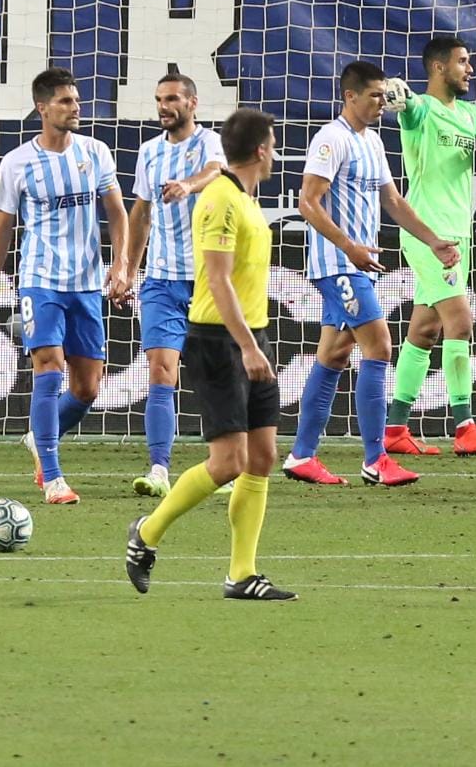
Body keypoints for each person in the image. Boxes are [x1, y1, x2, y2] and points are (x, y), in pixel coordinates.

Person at [124, 109, 296, 601]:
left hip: (252, 336)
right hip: (220, 341)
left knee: (261, 458)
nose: (275, 153)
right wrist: (246, 346)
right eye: (273, 144)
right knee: (227, 463)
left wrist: (254, 341)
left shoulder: (243, 196)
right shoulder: (219, 198)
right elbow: (216, 279)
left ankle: (242, 573)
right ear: (262, 149)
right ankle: (146, 534)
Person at [286, 60, 462, 487]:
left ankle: (301, 455)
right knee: (380, 347)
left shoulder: (374, 142)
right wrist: (349, 247)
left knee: (333, 355)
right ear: (351, 96)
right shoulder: (331, 139)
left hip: (359, 263)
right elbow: (308, 203)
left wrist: (434, 240)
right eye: (375, 96)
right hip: (339, 265)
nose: (383, 102)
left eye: (384, 95)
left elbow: (394, 202)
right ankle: (375, 459)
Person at [380, 35, 476, 457]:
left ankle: (394, 428)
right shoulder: (421, 111)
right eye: (463, 62)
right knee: (461, 323)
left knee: (425, 329)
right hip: (429, 236)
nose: (470, 69)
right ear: (438, 68)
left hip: (457, 236)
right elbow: (405, 105)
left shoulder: (466, 114)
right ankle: (464, 426)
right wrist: (397, 93)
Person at [0, 67, 129, 505]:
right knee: (49, 367)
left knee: (87, 389)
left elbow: (118, 212)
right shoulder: (17, 163)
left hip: (86, 284)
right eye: (65, 101)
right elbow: (2, 229)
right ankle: (53, 476)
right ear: (42, 108)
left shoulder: (96, 152)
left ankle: (39, 439)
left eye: (76, 100)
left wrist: (122, 266)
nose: (75, 107)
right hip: (39, 280)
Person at [124, 73, 225, 498]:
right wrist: (127, 268)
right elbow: (141, 214)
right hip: (162, 281)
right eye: (158, 99)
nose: (163, 107)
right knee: (161, 371)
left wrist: (188, 184)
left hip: (207, 280)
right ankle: (160, 469)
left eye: (171, 99)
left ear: (192, 103)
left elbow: (216, 170)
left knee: (216, 376)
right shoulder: (148, 153)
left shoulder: (208, 143)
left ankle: (224, 466)